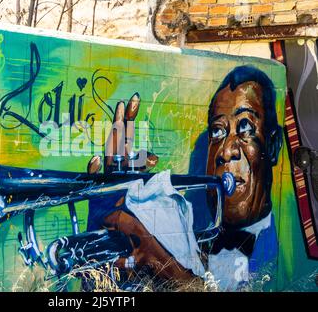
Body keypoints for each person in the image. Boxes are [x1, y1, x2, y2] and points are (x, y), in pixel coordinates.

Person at [86, 65, 283, 290]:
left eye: (245, 127)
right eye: (217, 132)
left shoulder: (293, 252)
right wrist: (100, 254)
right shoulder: (188, 236)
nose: (226, 152)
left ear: (274, 146)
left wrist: (165, 268)